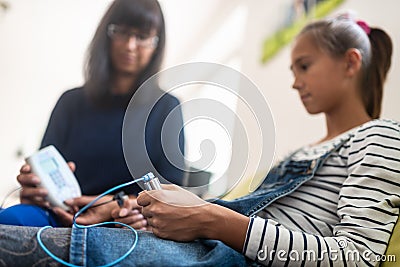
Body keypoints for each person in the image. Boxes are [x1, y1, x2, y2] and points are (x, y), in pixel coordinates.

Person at [1, 16, 399, 267]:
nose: (294, 81)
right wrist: (193, 212)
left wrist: (211, 218)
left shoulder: (380, 137)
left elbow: (359, 256)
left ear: (350, 62)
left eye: (304, 66)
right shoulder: (299, 155)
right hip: (207, 245)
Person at [0, 0, 185, 229]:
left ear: (157, 44)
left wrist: (112, 206)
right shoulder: (70, 102)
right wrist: (35, 188)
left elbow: (176, 197)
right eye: (122, 32)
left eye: (142, 36)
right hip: (60, 217)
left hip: (127, 226)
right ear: (106, 34)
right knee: (9, 220)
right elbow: (44, 172)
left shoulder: (168, 109)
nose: (129, 45)